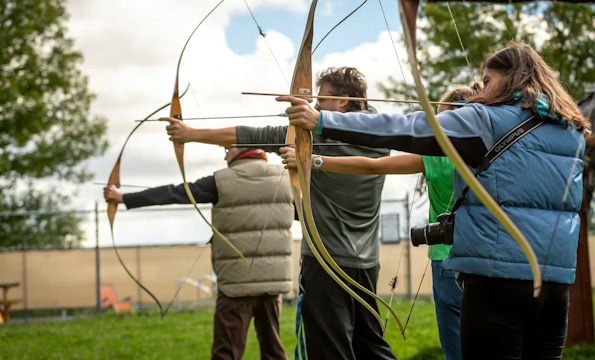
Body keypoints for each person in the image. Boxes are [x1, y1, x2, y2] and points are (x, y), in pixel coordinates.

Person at [278, 42, 590, 359]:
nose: (481, 90)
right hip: (554, 286)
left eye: (487, 81)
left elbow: (406, 126)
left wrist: (323, 120)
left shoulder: (484, 120)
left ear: (508, 79)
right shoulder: (570, 128)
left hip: (497, 283)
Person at [162, 67, 396, 360]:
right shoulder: (383, 134)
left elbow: (254, 135)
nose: (314, 107)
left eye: (320, 100)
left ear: (343, 101)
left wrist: (190, 133)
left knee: (330, 350)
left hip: (326, 264)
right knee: (371, 346)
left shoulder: (317, 140)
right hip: (366, 263)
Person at [280, 85, 478, 360]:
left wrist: (313, 160)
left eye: (441, 119)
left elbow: (373, 166)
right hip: (487, 261)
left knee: (456, 350)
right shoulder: (494, 152)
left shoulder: (440, 156)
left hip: (447, 260)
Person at [104, 147, 293, 360]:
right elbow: (303, 214)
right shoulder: (285, 178)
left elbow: (174, 193)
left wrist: (123, 198)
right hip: (273, 284)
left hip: (236, 285)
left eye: (228, 149)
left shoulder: (222, 180)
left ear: (242, 148)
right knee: (273, 352)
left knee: (226, 353)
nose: (225, 155)